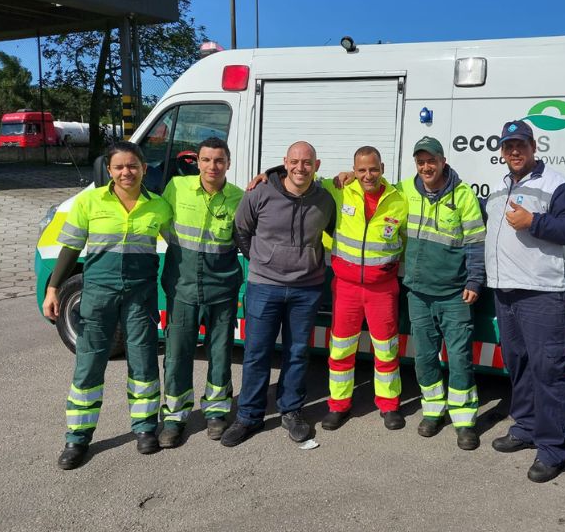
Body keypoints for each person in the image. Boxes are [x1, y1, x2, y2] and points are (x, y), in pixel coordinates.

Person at [43, 141, 172, 470]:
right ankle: (77, 437)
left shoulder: (159, 206)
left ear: (144, 168)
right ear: (109, 170)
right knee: (89, 364)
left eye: (133, 166)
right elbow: (71, 248)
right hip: (98, 294)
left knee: (143, 363)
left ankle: (144, 429)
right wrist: (53, 288)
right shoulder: (90, 201)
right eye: (119, 167)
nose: (126, 172)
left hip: (140, 295)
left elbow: (179, 246)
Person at [485, 120, 565, 483]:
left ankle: (553, 448)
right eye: (509, 145)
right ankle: (526, 427)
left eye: (521, 145)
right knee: (520, 366)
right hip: (506, 291)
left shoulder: (557, 185)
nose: (515, 151)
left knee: (548, 371)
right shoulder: (499, 187)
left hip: (543, 294)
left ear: (533, 147)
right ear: (502, 150)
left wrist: (535, 222)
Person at [222, 141, 336, 447]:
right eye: (295, 161)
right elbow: (241, 230)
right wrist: (260, 260)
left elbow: (338, 228)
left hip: (307, 289)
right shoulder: (259, 192)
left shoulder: (325, 200)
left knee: (297, 353)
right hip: (264, 286)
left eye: (308, 162)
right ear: (285, 162)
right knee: (256, 353)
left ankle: (291, 411)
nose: (301, 167)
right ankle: (249, 416)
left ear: (317, 165)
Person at [396, 137, 486, 450]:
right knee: (423, 358)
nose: (426, 167)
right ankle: (433, 411)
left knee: (460, 359)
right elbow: (373, 190)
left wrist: (474, 281)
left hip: (454, 295)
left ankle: (464, 421)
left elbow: (475, 241)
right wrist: (345, 178)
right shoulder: (404, 190)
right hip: (418, 293)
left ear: (442, 161)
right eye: (420, 162)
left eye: (430, 161)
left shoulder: (462, 195)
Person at [157, 137, 244, 448]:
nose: (212, 166)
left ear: (228, 164)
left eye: (219, 160)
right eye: (206, 160)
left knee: (220, 352)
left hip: (222, 287)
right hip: (182, 286)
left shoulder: (238, 197)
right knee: (178, 353)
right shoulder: (177, 188)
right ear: (198, 162)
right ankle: (174, 417)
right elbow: (160, 223)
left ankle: (217, 412)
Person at [321, 146, 408, 431]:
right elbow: (302, 178)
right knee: (341, 349)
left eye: (373, 169)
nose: (368, 175)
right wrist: (265, 177)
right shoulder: (340, 190)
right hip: (345, 287)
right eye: (361, 170)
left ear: (382, 167)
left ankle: (389, 405)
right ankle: (339, 405)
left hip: (382, 289)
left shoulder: (399, 199)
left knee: (386, 349)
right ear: (353, 170)